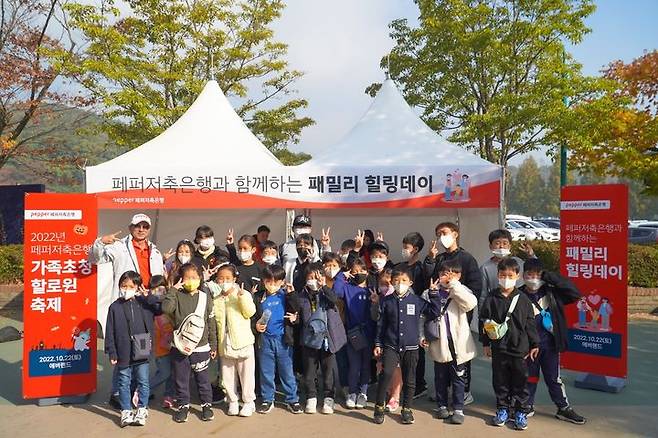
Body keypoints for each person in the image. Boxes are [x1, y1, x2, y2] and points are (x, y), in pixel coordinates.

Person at [89, 213, 165, 410]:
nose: (141, 229)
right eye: (137, 226)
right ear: (131, 228)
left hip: (145, 304)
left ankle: (136, 389)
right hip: (124, 303)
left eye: (145, 226)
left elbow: (157, 278)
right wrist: (100, 242)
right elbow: (94, 258)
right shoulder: (118, 246)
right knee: (124, 349)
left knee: (141, 349)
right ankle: (117, 392)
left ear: (149, 229)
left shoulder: (155, 251)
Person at [520, 259, 586, 424]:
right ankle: (527, 405)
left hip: (550, 345)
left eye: (537, 274)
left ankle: (563, 408)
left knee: (553, 378)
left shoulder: (552, 293)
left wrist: (548, 276)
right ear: (523, 275)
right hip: (528, 347)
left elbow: (574, 293)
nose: (533, 278)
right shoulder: (518, 294)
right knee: (529, 377)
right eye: (529, 274)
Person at [372, 267, 441, 425]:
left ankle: (407, 409)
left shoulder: (416, 300)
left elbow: (434, 311)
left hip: (411, 347)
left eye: (403, 281)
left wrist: (434, 294)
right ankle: (379, 407)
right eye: (396, 281)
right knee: (386, 374)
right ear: (391, 282)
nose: (399, 283)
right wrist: (378, 343)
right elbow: (381, 326)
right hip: (390, 345)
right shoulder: (386, 301)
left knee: (410, 379)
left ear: (410, 282)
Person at [424, 222, 481, 404]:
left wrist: (463, 303)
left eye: (445, 232)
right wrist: (431, 260)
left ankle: (464, 391)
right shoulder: (439, 258)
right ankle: (443, 390)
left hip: (459, 311)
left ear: (455, 234)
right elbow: (430, 281)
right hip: (440, 314)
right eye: (438, 233)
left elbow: (475, 287)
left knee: (460, 354)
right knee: (442, 353)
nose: (442, 237)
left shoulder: (467, 258)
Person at [479, 258, 539, 431]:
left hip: (520, 348)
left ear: (517, 276)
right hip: (499, 348)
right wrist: (485, 343)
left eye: (510, 275)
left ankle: (520, 411)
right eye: (502, 275)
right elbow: (484, 321)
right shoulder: (491, 297)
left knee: (521, 380)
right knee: (500, 380)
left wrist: (534, 343)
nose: (506, 278)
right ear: (497, 275)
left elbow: (530, 323)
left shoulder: (524, 299)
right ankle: (502, 409)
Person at [422, 260, 477, 425]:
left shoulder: (462, 290)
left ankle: (458, 408)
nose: (447, 276)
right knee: (440, 376)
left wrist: (455, 286)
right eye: (444, 273)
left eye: (452, 273)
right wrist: (420, 336)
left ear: (459, 275)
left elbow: (470, 304)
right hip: (439, 341)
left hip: (458, 342)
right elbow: (422, 317)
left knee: (459, 377)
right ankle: (442, 406)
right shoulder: (429, 292)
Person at [162, 263, 218, 423]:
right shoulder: (177, 295)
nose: (191, 281)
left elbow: (211, 322)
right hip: (180, 346)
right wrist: (172, 290)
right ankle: (183, 406)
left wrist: (213, 345)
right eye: (187, 278)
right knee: (181, 378)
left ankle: (207, 405)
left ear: (200, 279)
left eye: (194, 277)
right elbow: (166, 309)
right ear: (181, 279)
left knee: (203, 379)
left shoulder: (205, 297)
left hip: (201, 346)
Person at [105, 270, 161, 427]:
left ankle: (142, 408)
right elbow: (109, 331)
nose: (127, 289)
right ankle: (126, 410)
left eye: (131, 286)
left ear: (137, 287)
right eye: (124, 286)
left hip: (142, 348)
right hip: (123, 351)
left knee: (143, 381)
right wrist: (112, 351)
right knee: (124, 381)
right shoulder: (114, 307)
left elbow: (160, 308)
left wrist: (147, 296)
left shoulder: (144, 304)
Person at [206, 264, 257, 417]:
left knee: (246, 374)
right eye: (221, 278)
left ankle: (248, 402)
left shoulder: (243, 294)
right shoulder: (216, 299)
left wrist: (242, 298)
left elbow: (250, 312)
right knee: (227, 375)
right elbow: (214, 323)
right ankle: (232, 400)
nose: (224, 281)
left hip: (243, 342)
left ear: (234, 279)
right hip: (224, 343)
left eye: (228, 278)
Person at [253, 264, 303, 414]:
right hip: (265, 340)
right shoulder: (258, 297)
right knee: (266, 371)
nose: (272, 285)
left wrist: (292, 296)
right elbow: (252, 316)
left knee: (287, 371)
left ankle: (292, 399)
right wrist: (256, 326)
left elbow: (297, 311)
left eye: (276, 282)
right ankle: (268, 399)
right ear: (264, 281)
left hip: (283, 340)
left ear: (282, 282)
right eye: (269, 281)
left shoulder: (286, 295)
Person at [297, 262, 347, 414]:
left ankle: (328, 398)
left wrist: (323, 286)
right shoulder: (302, 295)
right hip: (310, 340)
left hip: (327, 339)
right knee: (310, 371)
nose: (313, 281)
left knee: (328, 370)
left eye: (316, 277)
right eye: (310, 277)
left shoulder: (326, 293)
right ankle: (311, 397)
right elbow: (299, 312)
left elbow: (334, 299)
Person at [332, 258, 376, 409]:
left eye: (361, 271)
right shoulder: (347, 288)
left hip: (369, 333)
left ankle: (363, 392)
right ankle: (352, 392)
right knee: (354, 365)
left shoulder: (372, 289)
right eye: (355, 271)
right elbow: (336, 292)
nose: (358, 274)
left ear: (367, 272)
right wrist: (342, 276)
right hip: (353, 333)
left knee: (365, 365)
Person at [397, 231, 429, 399]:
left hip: (415, 313)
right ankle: (403, 382)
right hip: (400, 311)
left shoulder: (421, 268)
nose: (403, 250)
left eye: (406, 247)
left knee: (417, 350)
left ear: (415, 249)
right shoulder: (401, 266)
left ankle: (419, 384)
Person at [370, 267, 402, 413]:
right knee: (381, 367)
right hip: (381, 338)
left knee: (396, 369)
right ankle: (388, 392)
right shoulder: (379, 296)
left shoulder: (401, 296)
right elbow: (374, 318)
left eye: (390, 283)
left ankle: (395, 397)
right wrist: (376, 303)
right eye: (383, 283)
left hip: (397, 340)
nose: (387, 286)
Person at [480, 229, 535, 300]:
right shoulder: (485, 268)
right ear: (490, 246)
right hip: (497, 303)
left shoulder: (518, 262)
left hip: (519, 303)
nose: (501, 246)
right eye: (497, 243)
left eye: (505, 243)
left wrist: (531, 255)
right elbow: (483, 294)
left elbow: (535, 270)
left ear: (509, 246)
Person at [148, 275, 175, 408]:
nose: (160, 292)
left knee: (170, 371)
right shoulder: (151, 304)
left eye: (163, 288)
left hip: (171, 342)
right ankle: (144, 390)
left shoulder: (169, 301)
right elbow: (157, 307)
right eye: (156, 289)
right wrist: (150, 297)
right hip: (159, 345)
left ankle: (168, 395)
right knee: (165, 372)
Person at [280, 215, 332, 282]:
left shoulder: (318, 244)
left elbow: (327, 262)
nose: (302, 229)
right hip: (292, 284)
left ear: (310, 229)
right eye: (299, 227)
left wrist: (326, 246)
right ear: (293, 229)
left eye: (305, 227)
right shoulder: (284, 246)